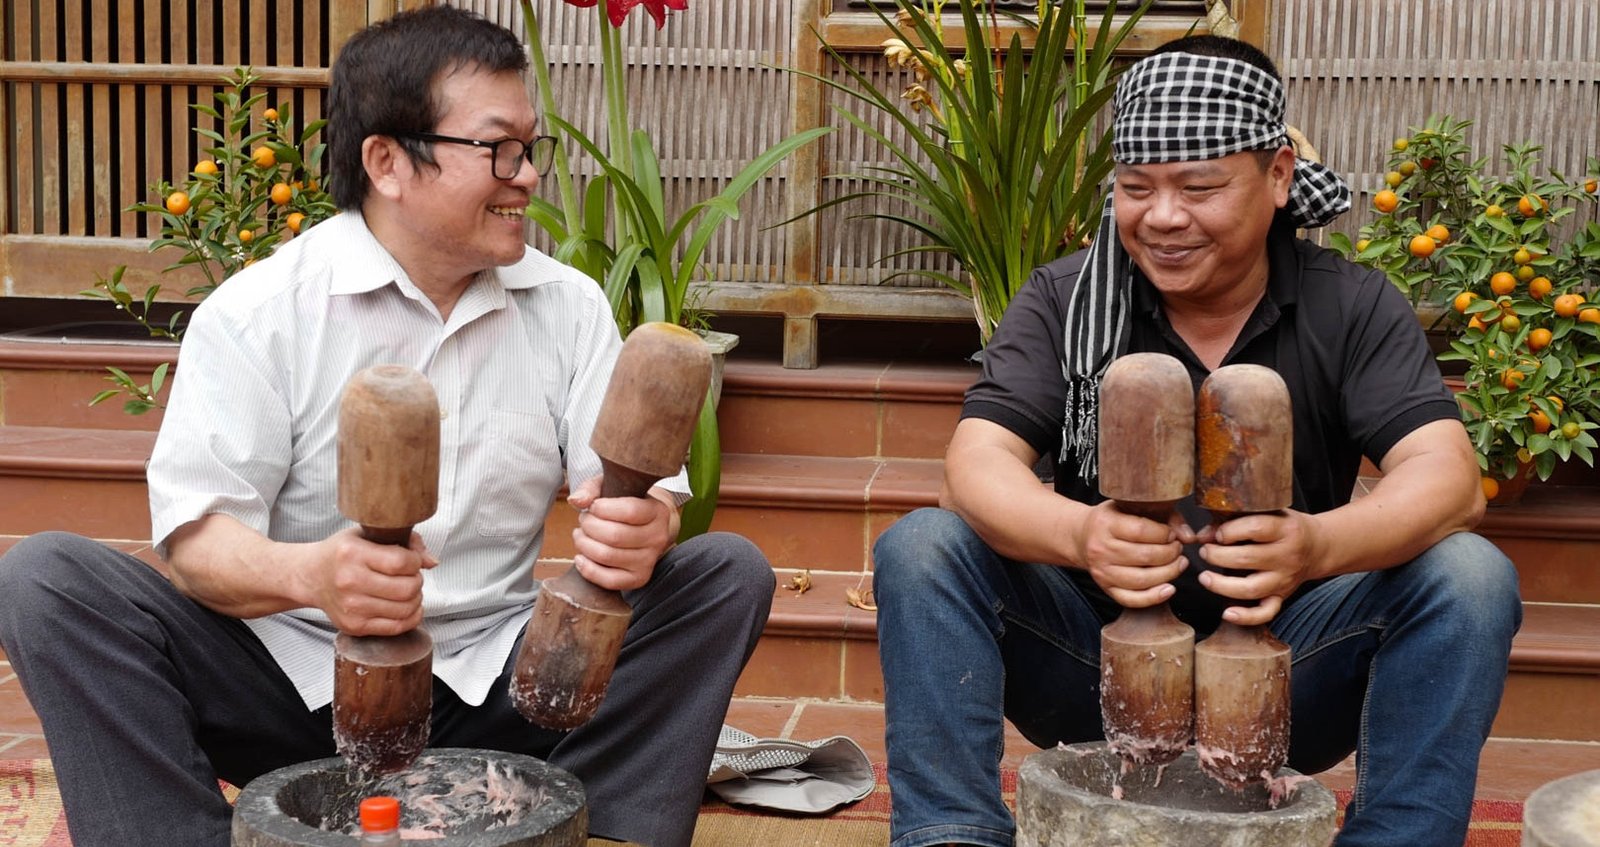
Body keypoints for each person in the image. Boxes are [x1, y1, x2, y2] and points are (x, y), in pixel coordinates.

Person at [0, 7, 773, 846]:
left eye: (530, 148)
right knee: (46, 580)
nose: (526, 175)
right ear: (388, 162)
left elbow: (638, 493)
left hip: (503, 689)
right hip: (297, 687)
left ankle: (607, 830)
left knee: (726, 573)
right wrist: (312, 576)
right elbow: (195, 543)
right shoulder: (263, 312)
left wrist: (641, 526)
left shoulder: (568, 306)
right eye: (497, 149)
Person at [871, 34, 1521, 847]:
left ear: (1279, 176)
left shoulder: (1349, 306)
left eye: (1199, 186)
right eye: (1136, 188)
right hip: (1095, 666)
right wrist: (1081, 534)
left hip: (1281, 672)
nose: (1164, 216)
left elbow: (1450, 479)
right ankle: (950, 834)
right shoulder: (1067, 299)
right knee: (924, 546)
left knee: (1469, 575)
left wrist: (1316, 544)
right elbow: (973, 465)